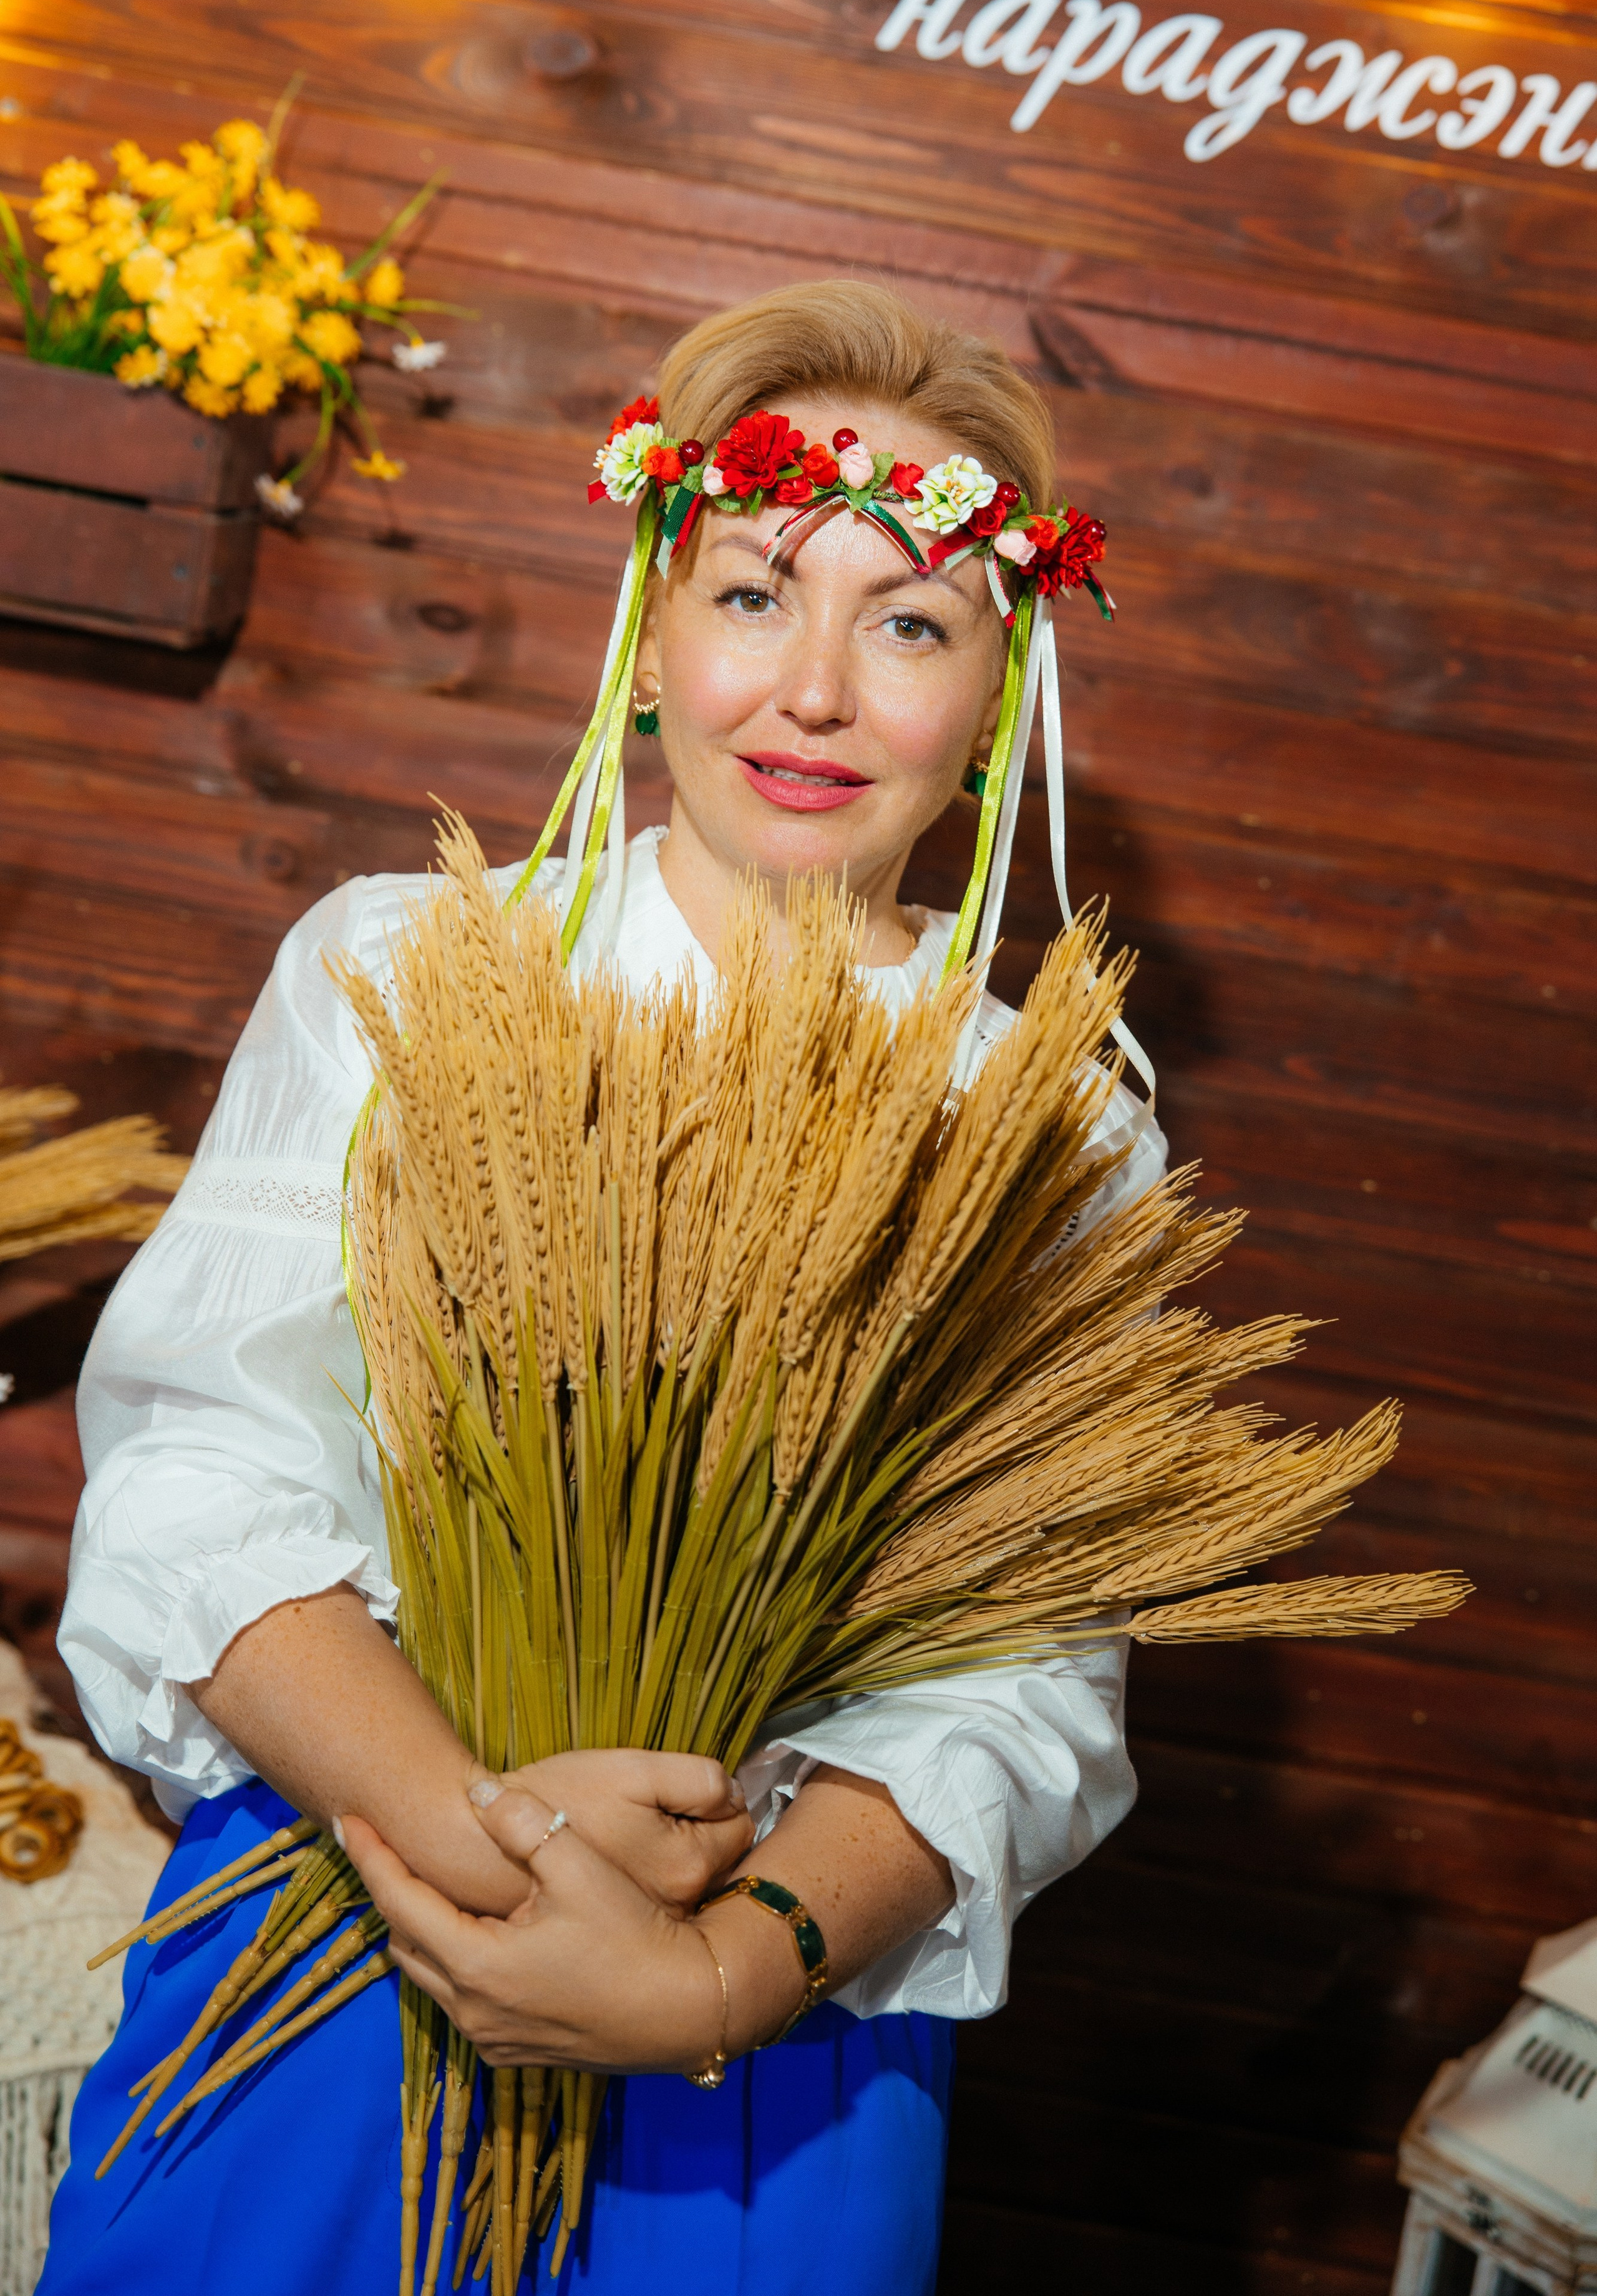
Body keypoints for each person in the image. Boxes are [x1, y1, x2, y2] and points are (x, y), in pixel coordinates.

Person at [42, 279, 1165, 2294]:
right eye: (754, 595)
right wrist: (485, 1843)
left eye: (906, 623)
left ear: (995, 699)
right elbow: (203, 1466)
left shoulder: (1055, 1127)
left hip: (777, 2042)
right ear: (655, 637)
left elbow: (1028, 1680)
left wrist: (715, 1977)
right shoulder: (408, 972)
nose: (812, 691)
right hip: (338, 1929)